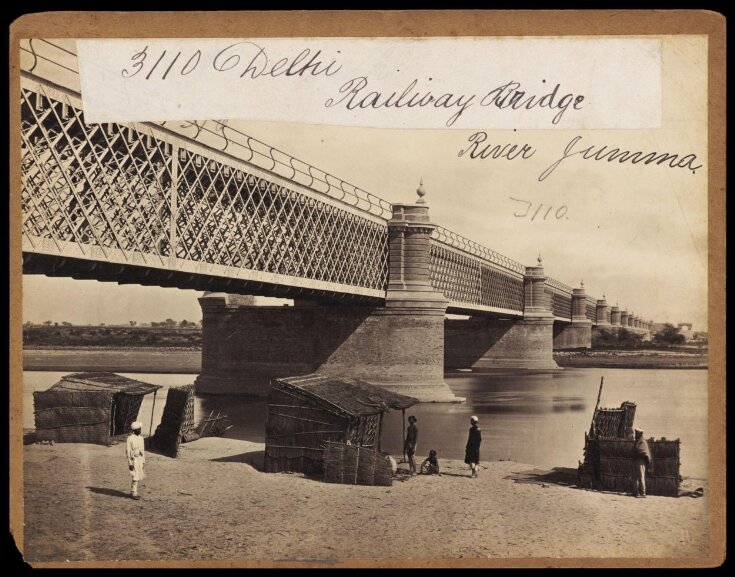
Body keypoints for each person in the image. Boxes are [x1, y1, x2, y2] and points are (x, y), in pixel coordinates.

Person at [126, 421, 146, 500]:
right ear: (135, 430)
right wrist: (130, 463)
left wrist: (143, 461)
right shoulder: (130, 438)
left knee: (138, 475)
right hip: (133, 459)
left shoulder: (141, 438)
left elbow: (143, 450)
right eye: (139, 429)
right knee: (135, 476)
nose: (140, 430)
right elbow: (128, 451)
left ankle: (133, 492)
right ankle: (134, 493)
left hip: (139, 459)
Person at [634, 427, 652, 498]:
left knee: (641, 476)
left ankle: (643, 493)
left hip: (641, 461)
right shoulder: (638, 441)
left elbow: (643, 452)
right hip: (636, 460)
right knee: (635, 477)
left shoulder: (642, 442)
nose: (635, 434)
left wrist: (636, 453)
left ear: (640, 434)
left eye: (637, 433)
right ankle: (636, 492)